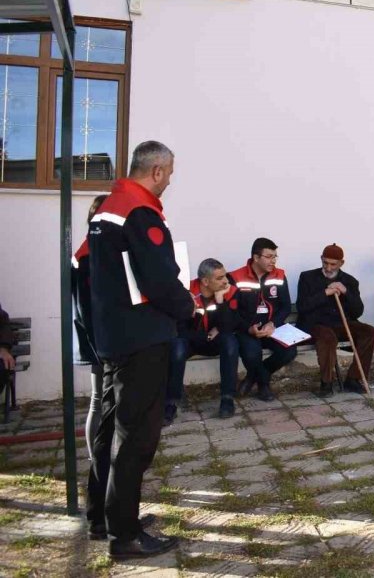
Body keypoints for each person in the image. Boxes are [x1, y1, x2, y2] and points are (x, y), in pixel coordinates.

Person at [86, 141, 194, 558]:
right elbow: (159, 279)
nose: (169, 182)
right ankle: (125, 537)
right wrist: (189, 307)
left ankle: (107, 516)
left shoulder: (108, 209)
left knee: (111, 430)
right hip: (143, 340)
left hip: (113, 337)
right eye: (170, 174)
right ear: (157, 171)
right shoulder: (140, 212)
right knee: (136, 440)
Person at [166, 259, 243, 425]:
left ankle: (227, 399)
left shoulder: (229, 291)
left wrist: (220, 300)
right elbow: (179, 329)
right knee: (177, 347)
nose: (226, 281)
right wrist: (206, 336)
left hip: (213, 342)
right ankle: (171, 403)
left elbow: (230, 325)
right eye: (220, 278)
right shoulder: (186, 292)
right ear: (205, 281)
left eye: (225, 276)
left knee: (230, 342)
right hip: (191, 342)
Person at [296, 244, 374, 396]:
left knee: (370, 333)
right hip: (315, 325)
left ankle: (353, 379)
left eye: (333, 264)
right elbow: (302, 306)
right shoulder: (307, 277)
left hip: (341, 324)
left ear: (341, 263)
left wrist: (346, 292)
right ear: (321, 259)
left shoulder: (350, 281)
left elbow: (358, 311)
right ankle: (326, 383)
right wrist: (325, 293)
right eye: (325, 262)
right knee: (327, 337)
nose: (328, 267)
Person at [231, 237, 296, 401]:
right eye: (269, 256)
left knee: (289, 351)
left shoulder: (279, 275)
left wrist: (273, 324)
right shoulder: (235, 277)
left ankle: (254, 377)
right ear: (256, 257)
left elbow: (286, 306)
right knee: (252, 354)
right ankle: (264, 385)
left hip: (272, 328)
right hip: (247, 329)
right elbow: (232, 312)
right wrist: (248, 328)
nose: (273, 261)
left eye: (275, 256)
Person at [71, 194, 108, 459]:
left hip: (104, 338)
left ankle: (106, 457)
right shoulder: (87, 256)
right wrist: (101, 347)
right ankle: (97, 460)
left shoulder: (97, 251)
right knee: (99, 400)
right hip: (99, 340)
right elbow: (86, 309)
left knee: (105, 400)